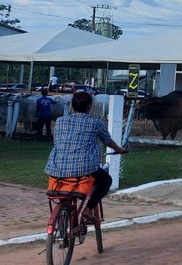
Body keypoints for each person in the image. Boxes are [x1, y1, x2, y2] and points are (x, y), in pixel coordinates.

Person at [44, 91, 127, 220]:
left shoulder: (60, 121)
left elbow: (57, 142)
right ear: (89, 106)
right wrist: (120, 149)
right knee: (106, 181)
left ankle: (63, 214)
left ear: (72, 106)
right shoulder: (95, 123)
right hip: (84, 169)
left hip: (57, 168)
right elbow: (108, 141)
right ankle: (88, 209)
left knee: (65, 187)